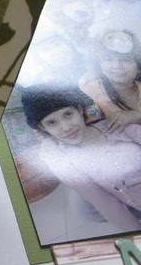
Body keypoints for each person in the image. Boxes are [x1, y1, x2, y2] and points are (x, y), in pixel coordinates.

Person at [21, 85, 141, 233]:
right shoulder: (65, 161)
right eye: (52, 123)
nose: (66, 127)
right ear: (43, 128)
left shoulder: (119, 127)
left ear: (79, 110)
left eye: (68, 115)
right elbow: (106, 204)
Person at [81, 29, 141, 132]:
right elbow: (94, 129)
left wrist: (137, 116)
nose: (117, 66)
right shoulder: (91, 92)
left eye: (126, 59)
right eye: (108, 59)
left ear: (138, 66)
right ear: (99, 64)